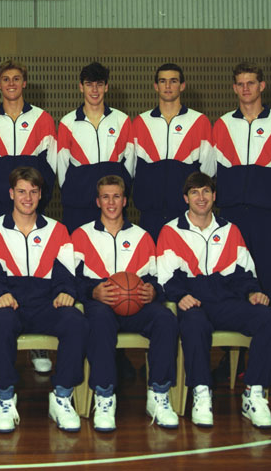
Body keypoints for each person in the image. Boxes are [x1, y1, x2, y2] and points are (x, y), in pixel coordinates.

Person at [157, 172, 271, 429]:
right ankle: (202, 394)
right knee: (195, 325)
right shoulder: (171, 231)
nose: (201, 197)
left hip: (227, 301)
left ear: (214, 196)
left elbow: (245, 273)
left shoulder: (230, 230)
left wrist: (252, 292)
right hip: (193, 301)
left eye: (206, 191)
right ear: (186, 198)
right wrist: (180, 295)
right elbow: (165, 277)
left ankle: (254, 393)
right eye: (194, 192)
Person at [212, 62, 271, 393]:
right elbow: (211, 172)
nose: (246, 88)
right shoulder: (221, 125)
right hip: (233, 220)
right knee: (231, 287)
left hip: (269, 220)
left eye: (251, 83)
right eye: (240, 84)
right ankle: (229, 358)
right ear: (234, 88)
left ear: (262, 86)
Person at [0, 166, 87, 434]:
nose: (27, 198)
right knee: (1, 321)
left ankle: (62, 396)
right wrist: (0, 294)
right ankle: (5, 398)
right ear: (11, 194)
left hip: (46, 304)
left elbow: (66, 276)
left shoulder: (58, 230)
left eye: (32, 192)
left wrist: (67, 292)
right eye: (21, 192)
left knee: (75, 320)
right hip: (12, 302)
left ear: (41, 195)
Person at [71, 175, 179, 432]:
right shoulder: (81, 235)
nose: (111, 202)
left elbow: (156, 277)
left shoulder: (142, 236)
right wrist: (92, 291)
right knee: (99, 321)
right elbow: (69, 280)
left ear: (125, 200)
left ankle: (159, 396)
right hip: (100, 303)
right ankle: (105, 397)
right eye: (106, 197)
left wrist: (152, 291)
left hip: (136, 305)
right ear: (98, 201)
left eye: (116, 196)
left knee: (165, 320)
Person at [0, 60, 58, 375]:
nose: (11, 83)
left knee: (35, 269)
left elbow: (51, 168)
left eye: (17, 79)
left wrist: (34, 202)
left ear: (25, 83)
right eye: (6, 79)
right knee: (0, 274)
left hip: (31, 207)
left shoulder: (43, 119)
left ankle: (38, 342)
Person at [132, 63, 215, 240]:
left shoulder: (199, 121)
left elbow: (208, 171)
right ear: (156, 86)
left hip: (186, 214)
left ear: (182, 86)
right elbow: (132, 168)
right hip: (150, 214)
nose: (168, 86)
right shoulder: (141, 122)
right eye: (163, 81)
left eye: (173, 81)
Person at [57, 62, 134, 232]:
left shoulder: (122, 120)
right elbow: (62, 169)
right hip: (78, 207)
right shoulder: (67, 123)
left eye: (99, 84)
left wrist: (119, 194)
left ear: (106, 87)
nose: (94, 90)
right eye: (89, 84)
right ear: (81, 87)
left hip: (112, 207)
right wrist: (76, 191)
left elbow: (130, 165)